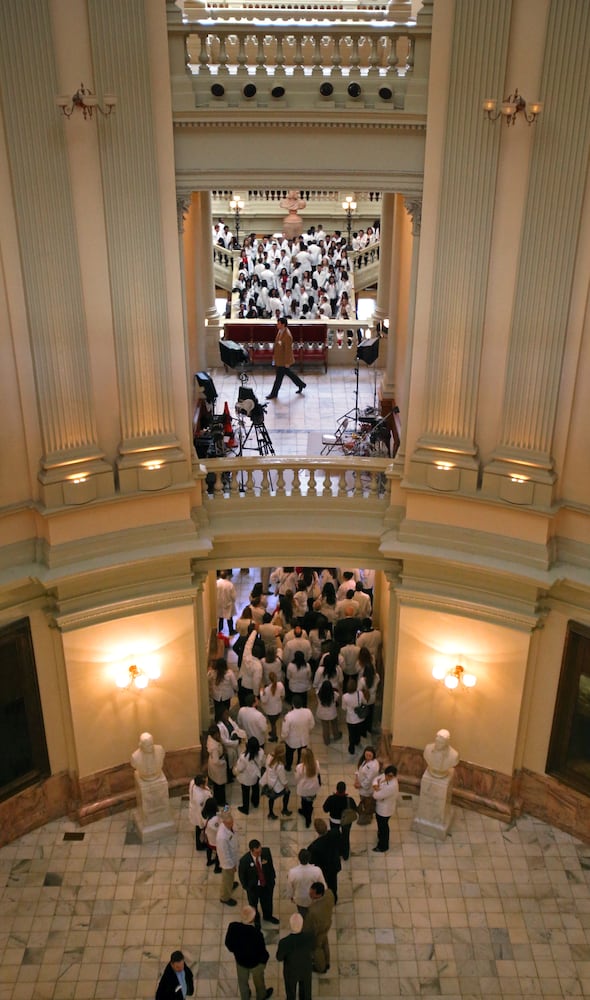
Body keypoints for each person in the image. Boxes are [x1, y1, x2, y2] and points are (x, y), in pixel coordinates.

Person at [224, 905, 274, 1000]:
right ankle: (261, 996)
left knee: (242, 982)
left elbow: (228, 944)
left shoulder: (233, 927)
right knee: (259, 981)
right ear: (252, 919)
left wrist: (237, 951)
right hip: (255, 964)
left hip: (241, 962)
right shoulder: (256, 934)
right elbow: (262, 951)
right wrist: (264, 960)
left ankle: (245, 997)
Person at [238, 838, 280, 925]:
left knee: (268, 903)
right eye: (257, 852)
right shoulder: (244, 861)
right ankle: (257, 921)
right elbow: (242, 876)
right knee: (253, 906)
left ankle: (268, 916)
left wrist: (272, 879)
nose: (260, 854)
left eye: (260, 851)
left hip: (266, 885)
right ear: (251, 851)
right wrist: (247, 888)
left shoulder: (266, 852)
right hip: (253, 889)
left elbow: (270, 866)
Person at [266, 316, 306, 399]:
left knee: (278, 378)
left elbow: (288, 350)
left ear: (283, 325)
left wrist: (287, 362)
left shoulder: (287, 336)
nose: (277, 324)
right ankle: (301, 384)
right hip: (279, 359)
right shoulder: (280, 332)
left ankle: (274, 393)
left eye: (279, 323)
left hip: (283, 361)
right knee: (289, 374)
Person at [276, 913, 314, 1000]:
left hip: (291, 971)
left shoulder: (284, 942)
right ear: (302, 924)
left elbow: (279, 958)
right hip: (305, 969)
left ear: (290, 925)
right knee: (306, 993)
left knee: (290, 992)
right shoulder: (310, 937)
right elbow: (312, 949)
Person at [302, 882, 335, 974]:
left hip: (318, 931)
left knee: (317, 949)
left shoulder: (312, 911)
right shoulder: (329, 893)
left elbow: (307, 928)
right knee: (325, 943)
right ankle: (327, 962)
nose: (310, 894)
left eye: (312, 893)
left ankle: (321, 967)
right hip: (327, 925)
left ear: (319, 894)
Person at [307, 818, 341, 903]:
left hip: (323, 871)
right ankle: (334, 898)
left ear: (316, 830)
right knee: (333, 883)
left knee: (324, 885)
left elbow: (312, 862)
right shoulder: (335, 833)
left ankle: (325, 900)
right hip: (334, 865)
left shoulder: (314, 847)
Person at [322, 780, 357, 860]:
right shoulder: (349, 800)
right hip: (346, 822)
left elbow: (325, 809)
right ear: (345, 790)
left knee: (334, 837)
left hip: (334, 821)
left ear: (336, 789)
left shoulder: (331, 799)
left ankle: (335, 853)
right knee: (346, 837)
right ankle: (345, 855)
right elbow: (355, 809)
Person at [287, 849, 326, 916]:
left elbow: (290, 888)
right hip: (314, 899)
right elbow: (323, 886)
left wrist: (291, 897)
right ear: (309, 858)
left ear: (299, 859)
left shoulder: (292, 872)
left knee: (303, 914)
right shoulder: (317, 870)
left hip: (300, 900)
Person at [282, 694, 315, 771]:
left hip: (292, 741)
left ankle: (288, 766)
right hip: (304, 738)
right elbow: (312, 724)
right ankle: (299, 765)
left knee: (289, 754)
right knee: (302, 753)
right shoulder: (308, 712)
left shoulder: (289, 716)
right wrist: (307, 730)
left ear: (293, 704)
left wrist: (284, 737)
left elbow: (285, 730)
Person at [234, 736, 265, 815]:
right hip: (256, 775)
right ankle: (255, 802)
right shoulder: (261, 752)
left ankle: (245, 808)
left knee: (245, 793)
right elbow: (262, 762)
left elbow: (240, 768)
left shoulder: (244, 757)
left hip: (246, 778)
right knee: (256, 788)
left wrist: (235, 769)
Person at [262, 741, 292, 819]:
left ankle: (271, 813)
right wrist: (286, 787)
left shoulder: (269, 756)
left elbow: (266, 766)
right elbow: (283, 779)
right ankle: (284, 810)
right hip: (276, 786)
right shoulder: (280, 766)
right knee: (287, 793)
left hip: (269, 782)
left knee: (271, 798)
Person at [372, 764, 399, 853]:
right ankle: (381, 837)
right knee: (381, 826)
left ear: (394, 776)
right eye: (387, 775)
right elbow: (376, 779)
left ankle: (383, 846)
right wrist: (376, 785)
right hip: (381, 807)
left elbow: (376, 796)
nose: (387, 777)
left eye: (390, 776)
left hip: (384, 810)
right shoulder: (385, 776)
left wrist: (376, 789)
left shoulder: (392, 786)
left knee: (383, 827)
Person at [217, 810, 240, 906]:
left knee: (230, 877)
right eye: (229, 823)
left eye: (232, 822)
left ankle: (230, 885)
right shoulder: (222, 837)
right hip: (227, 862)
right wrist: (231, 865)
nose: (231, 825)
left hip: (233, 856)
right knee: (227, 878)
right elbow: (225, 854)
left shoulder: (229, 827)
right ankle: (225, 897)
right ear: (223, 822)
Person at [295, 747, 321, 828]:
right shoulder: (316, 763)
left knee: (304, 802)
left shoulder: (300, 767)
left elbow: (297, 778)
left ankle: (306, 815)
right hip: (313, 788)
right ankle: (308, 815)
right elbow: (318, 773)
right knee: (310, 802)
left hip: (304, 789)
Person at [357, 647, 380, 737]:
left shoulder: (363, 680)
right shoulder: (377, 677)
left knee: (364, 716)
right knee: (370, 715)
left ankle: (363, 732)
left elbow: (358, 690)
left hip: (365, 699)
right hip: (373, 698)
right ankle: (369, 729)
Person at [354, 745, 380, 825]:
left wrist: (360, 785)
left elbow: (369, 780)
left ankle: (367, 816)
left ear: (373, 755)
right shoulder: (364, 761)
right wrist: (356, 779)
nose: (368, 757)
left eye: (370, 756)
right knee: (364, 801)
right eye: (366, 755)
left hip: (367, 789)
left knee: (367, 802)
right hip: (361, 785)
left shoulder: (374, 766)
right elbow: (359, 770)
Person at [341, 677, 366, 756]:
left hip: (350, 719)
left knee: (351, 734)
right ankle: (357, 741)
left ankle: (351, 748)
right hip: (359, 718)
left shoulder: (345, 696)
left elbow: (343, 708)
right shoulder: (360, 694)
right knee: (358, 732)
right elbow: (364, 702)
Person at [187, 773, 212, 851]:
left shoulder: (193, 782)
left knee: (199, 829)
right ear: (201, 785)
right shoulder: (200, 797)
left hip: (195, 809)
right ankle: (200, 845)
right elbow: (200, 812)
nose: (207, 783)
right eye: (206, 782)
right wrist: (202, 823)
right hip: (199, 814)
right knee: (200, 829)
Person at [260, 671, 285, 743]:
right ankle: (273, 732)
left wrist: (261, 692)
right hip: (278, 708)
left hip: (270, 710)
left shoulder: (267, 689)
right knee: (273, 723)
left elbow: (264, 700)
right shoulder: (280, 685)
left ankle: (274, 737)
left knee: (273, 724)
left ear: (269, 679)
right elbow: (282, 695)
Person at [206, 724, 228, 806]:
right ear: (213, 735)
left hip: (214, 763)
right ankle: (221, 801)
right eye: (217, 733)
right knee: (219, 785)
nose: (219, 735)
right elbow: (216, 761)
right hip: (217, 766)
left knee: (217, 784)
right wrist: (224, 762)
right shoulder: (214, 747)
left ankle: (218, 799)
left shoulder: (212, 738)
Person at [315, 679, 340, 745]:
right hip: (332, 713)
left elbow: (317, 690)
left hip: (322, 713)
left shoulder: (318, 694)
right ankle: (336, 736)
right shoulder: (335, 695)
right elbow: (337, 699)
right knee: (334, 725)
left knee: (325, 727)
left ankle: (327, 741)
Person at [202, 797, 221, 872]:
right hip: (215, 841)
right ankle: (217, 868)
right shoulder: (215, 820)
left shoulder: (204, 814)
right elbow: (219, 829)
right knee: (218, 853)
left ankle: (209, 861)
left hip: (208, 837)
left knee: (209, 849)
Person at [217, 570, 237, 635]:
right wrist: (233, 601)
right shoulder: (230, 584)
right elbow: (233, 596)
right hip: (228, 604)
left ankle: (219, 631)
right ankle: (231, 631)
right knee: (229, 618)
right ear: (227, 576)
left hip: (219, 603)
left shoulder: (216, 583)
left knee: (220, 618)